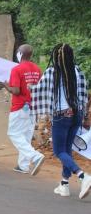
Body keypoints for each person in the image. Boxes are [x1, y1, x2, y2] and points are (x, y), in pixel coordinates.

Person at [31, 43, 90, 199]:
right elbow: (84, 92)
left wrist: (27, 87)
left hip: (61, 116)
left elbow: (38, 90)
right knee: (67, 150)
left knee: (59, 151)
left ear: (56, 57)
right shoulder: (77, 71)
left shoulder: (52, 72)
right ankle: (64, 185)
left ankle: (83, 176)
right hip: (76, 114)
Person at [2, 44, 44, 175]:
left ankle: (35, 156)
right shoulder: (37, 69)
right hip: (32, 107)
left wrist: (5, 84)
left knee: (13, 133)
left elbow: (16, 90)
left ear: (20, 54)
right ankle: (23, 166)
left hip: (20, 106)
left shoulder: (17, 69)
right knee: (25, 136)